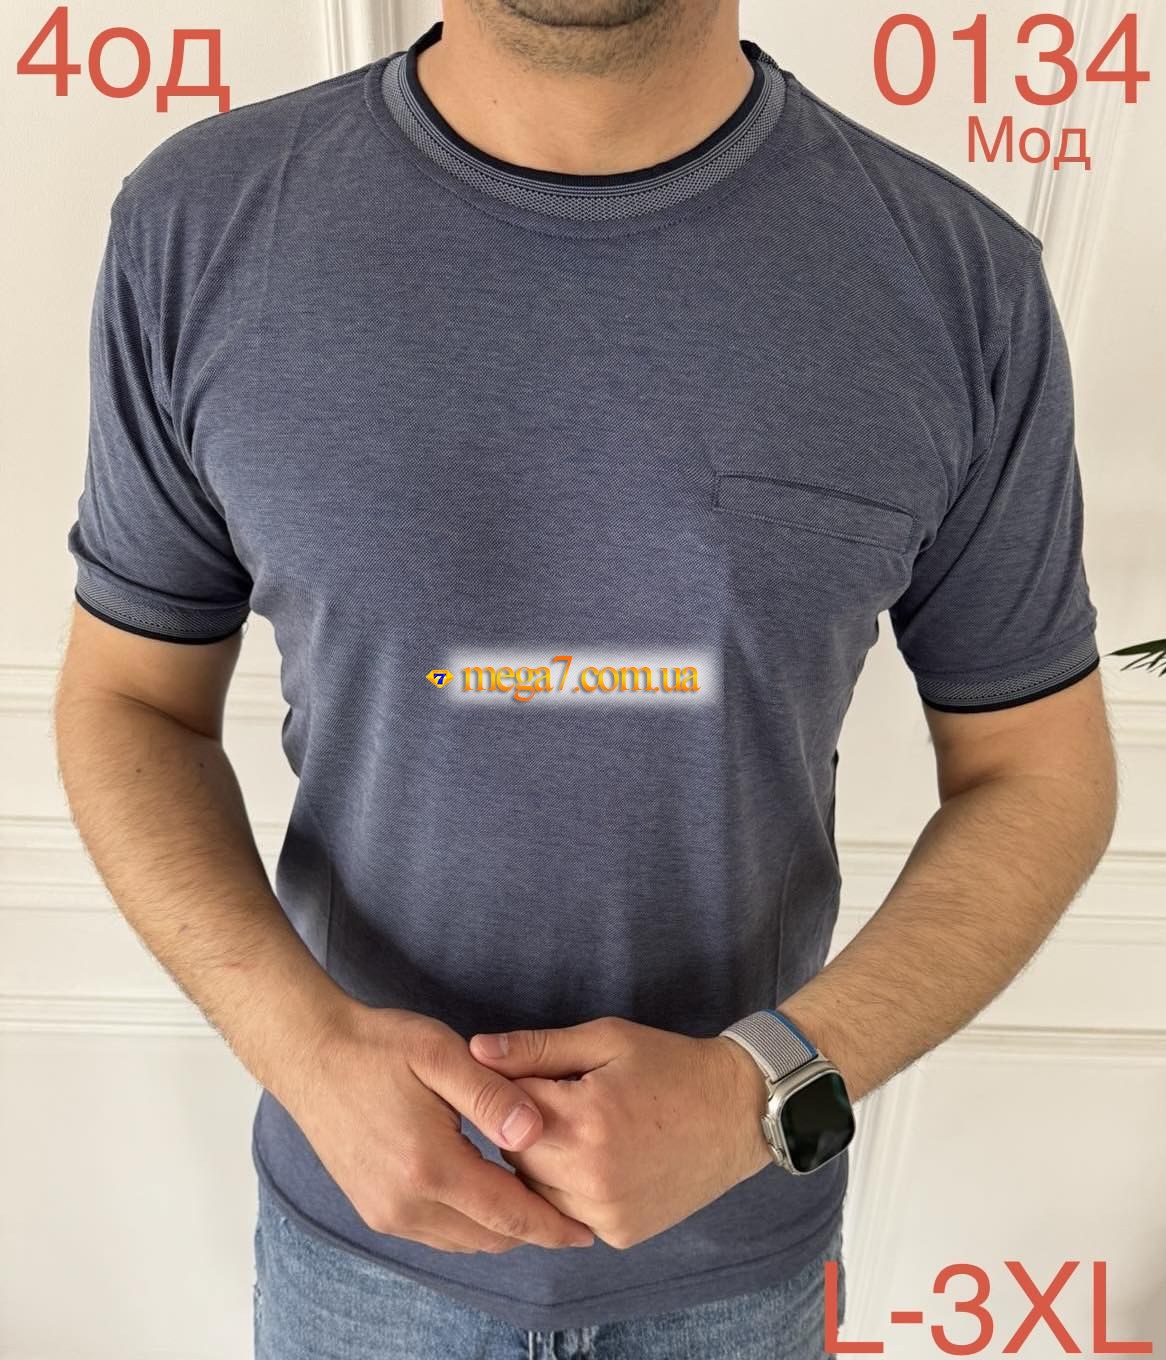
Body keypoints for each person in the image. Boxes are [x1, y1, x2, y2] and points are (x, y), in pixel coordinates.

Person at [54, 1, 1118, 1356]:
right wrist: (301, 1049)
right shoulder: (201, 225)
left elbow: (1037, 769)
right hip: (354, 1261)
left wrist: (762, 1090)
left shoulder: (956, 278)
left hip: (737, 1270)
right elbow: (129, 700)